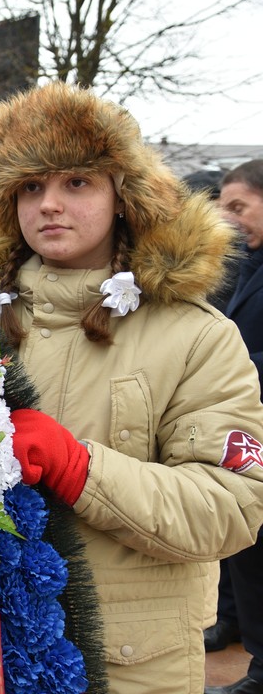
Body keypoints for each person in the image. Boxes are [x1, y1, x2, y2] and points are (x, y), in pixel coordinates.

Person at [0, 82, 263, 694]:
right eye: (30, 187)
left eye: (77, 182)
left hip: (128, 665)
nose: (50, 205)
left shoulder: (197, 337)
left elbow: (232, 506)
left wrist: (80, 469)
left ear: (123, 195)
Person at [204, 159, 263, 694]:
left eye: (238, 206)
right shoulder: (242, 265)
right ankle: (230, 622)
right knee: (240, 540)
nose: (226, 217)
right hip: (245, 429)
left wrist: (231, 367)